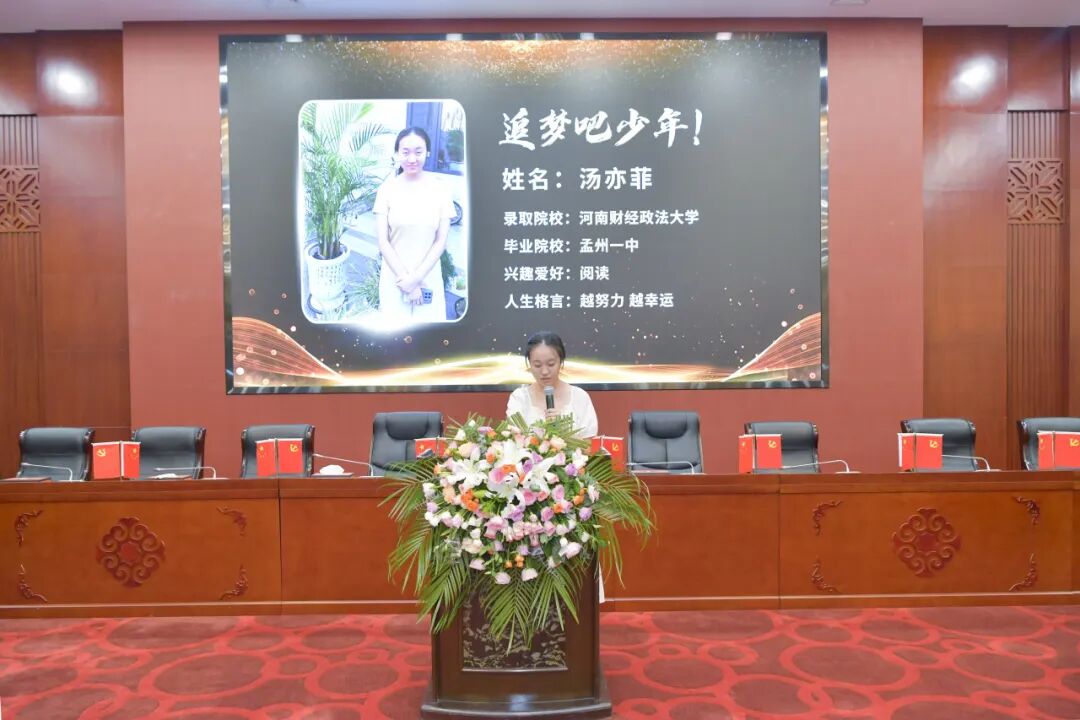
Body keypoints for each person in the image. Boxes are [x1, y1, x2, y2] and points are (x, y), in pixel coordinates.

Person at [374, 127, 455, 324]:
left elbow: (441, 241)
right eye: (405, 152)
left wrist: (415, 279)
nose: (412, 159)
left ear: (427, 152)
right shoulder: (386, 189)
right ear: (397, 153)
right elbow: (383, 241)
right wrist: (406, 281)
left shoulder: (441, 190)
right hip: (395, 278)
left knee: (429, 336)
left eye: (418, 152)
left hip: (428, 277)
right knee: (394, 334)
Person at [506, 332, 598, 438]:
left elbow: (590, 442)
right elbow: (513, 439)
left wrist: (563, 433)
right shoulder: (520, 398)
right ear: (530, 363)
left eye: (551, 364)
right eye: (537, 365)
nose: (544, 371)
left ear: (561, 361)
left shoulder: (580, 397)